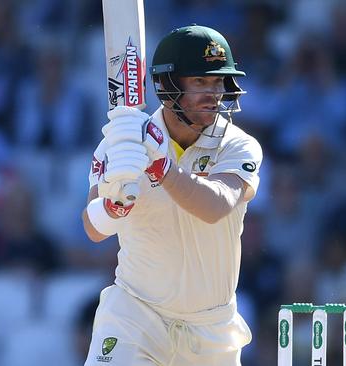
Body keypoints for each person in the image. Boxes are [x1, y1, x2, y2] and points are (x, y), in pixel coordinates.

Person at [81, 24, 262, 366]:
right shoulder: (121, 143)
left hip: (211, 329)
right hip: (136, 314)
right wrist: (113, 206)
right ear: (167, 86)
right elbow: (92, 228)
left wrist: (162, 168)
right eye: (200, 82)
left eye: (218, 82)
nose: (214, 93)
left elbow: (215, 205)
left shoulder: (238, 145)